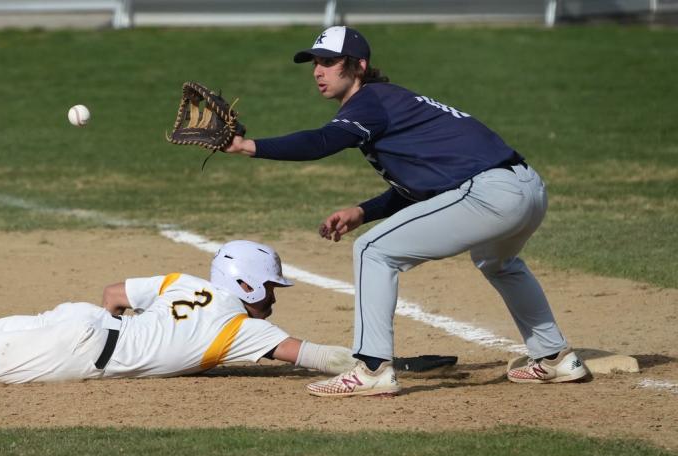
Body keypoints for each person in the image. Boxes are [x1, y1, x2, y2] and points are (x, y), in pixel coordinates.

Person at [223, 26, 589, 396]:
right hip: (526, 188)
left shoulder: (369, 102)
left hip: (491, 193)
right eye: (315, 62)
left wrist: (246, 146)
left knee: (372, 251)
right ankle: (555, 357)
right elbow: (422, 188)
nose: (318, 71)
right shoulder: (389, 103)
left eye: (330, 62)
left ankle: (371, 369)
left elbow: (322, 141)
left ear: (359, 65)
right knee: (499, 263)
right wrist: (363, 211)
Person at [0, 240, 382, 388]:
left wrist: (128, 331)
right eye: (271, 286)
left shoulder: (183, 282)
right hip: (75, 352)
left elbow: (112, 292)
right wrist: (365, 360)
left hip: (81, 321)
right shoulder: (243, 329)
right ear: (248, 284)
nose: (275, 296)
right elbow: (302, 355)